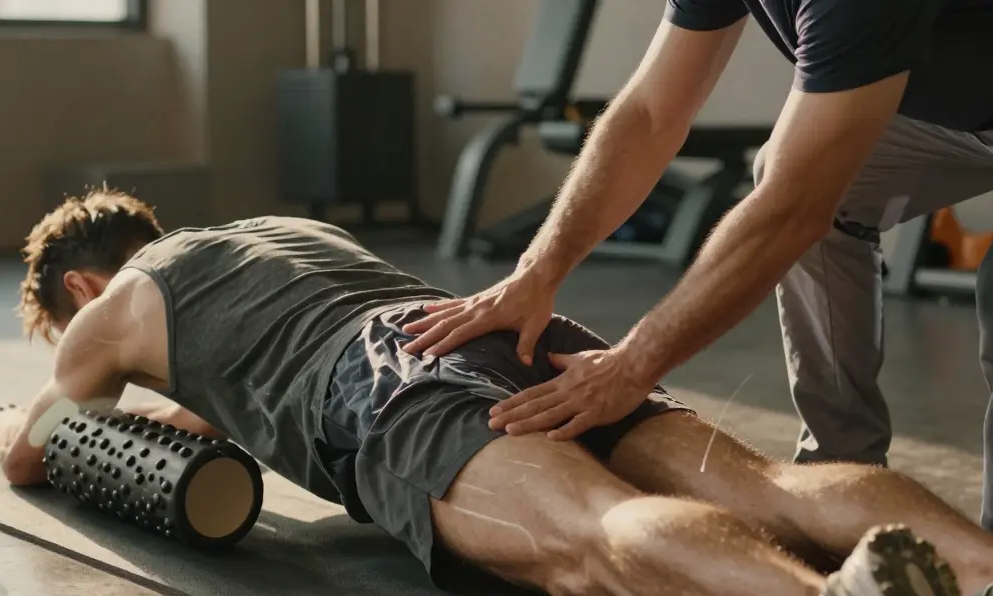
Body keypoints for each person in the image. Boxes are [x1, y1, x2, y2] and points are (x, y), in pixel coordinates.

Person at [0, 190, 993, 596]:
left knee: (584, 542)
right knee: (764, 484)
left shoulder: (113, 308)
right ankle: (979, 575)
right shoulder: (273, 233)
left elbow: (35, 448)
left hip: (379, 383)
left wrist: (12, 413)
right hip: (483, 325)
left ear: (74, 291)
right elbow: (240, 393)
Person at [401, 1, 993, 531]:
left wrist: (631, 367)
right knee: (807, 182)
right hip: (961, 120)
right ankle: (845, 486)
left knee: (809, 193)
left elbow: (791, 212)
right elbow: (651, 113)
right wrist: (536, 271)